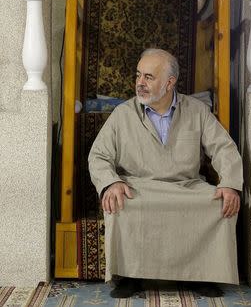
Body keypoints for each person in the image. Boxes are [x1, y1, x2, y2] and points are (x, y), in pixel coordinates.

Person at [88, 48, 243, 298]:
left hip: (187, 188)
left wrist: (231, 184)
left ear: (170, 82)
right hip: (139, 188)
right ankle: (129, 276)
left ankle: (202, 274)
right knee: (119, 202)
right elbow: (98, 156)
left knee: (219, 204)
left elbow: (224, 148)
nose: (140, 83)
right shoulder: (123, 114)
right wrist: (111, 183)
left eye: (149, 77)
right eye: (138, 75)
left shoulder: (197, 111)